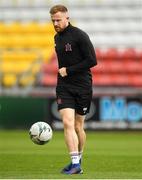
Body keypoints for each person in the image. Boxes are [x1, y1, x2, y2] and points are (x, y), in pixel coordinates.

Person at [49, 5, 97, 175]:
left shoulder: (79, 35)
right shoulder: (57, 38)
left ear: (67, 18)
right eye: (53, 20)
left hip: (83, 85)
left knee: (78, 126)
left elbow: (92, 60)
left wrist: (69, 70)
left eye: (58, 20)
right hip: (64, 86)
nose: (55, 23)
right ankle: (75, 164)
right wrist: (65, 74)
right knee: (67, 122)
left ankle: (79, 158)